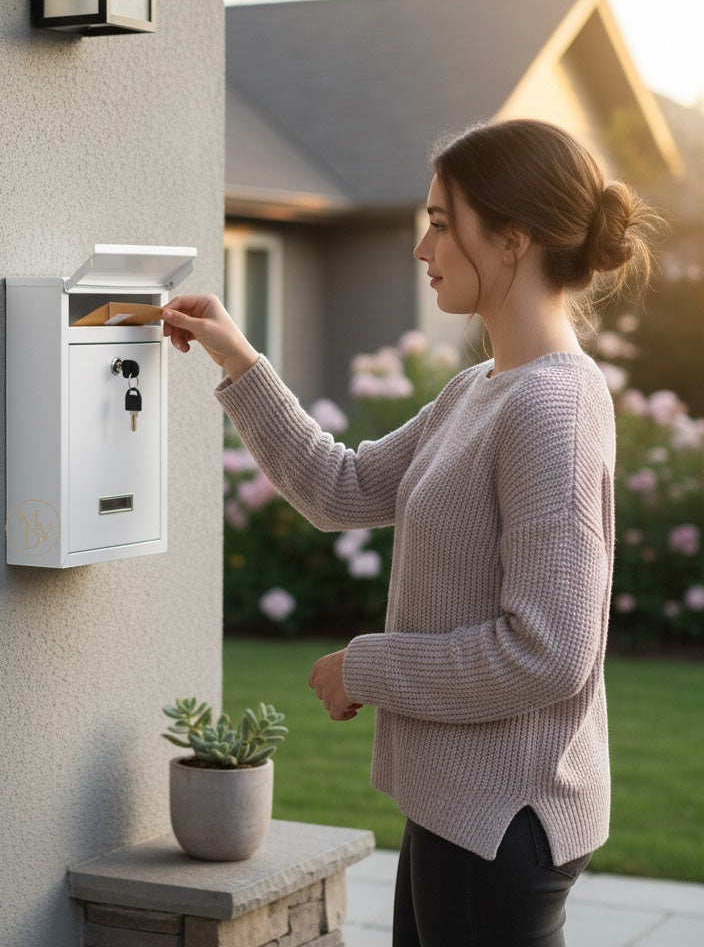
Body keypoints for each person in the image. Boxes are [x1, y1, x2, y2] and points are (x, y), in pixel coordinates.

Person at [161, 118, 661, 946]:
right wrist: (237, 358)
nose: (422, 249)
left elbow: (549, 650)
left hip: (504, 821)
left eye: (439, 222)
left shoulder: (551, 411)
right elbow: (340, 485)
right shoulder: (483, 389)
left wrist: (370, 666)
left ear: (511, 240)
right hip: (462, 808)